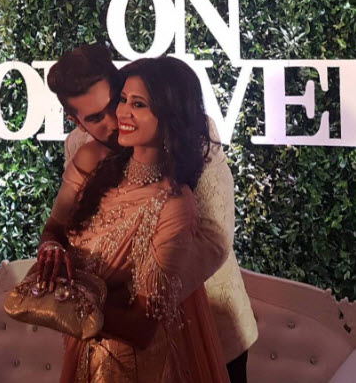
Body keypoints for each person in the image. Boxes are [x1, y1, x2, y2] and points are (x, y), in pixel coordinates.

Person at [46, 44, 258, 383]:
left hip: (206, 323)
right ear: (76, 121)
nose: (115, 120)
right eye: (95, 118)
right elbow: (76, 225)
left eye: (115, 102)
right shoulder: (80, 149)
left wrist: (138, 300)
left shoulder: (191, 130)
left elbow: (214, 238)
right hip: (112, 339)